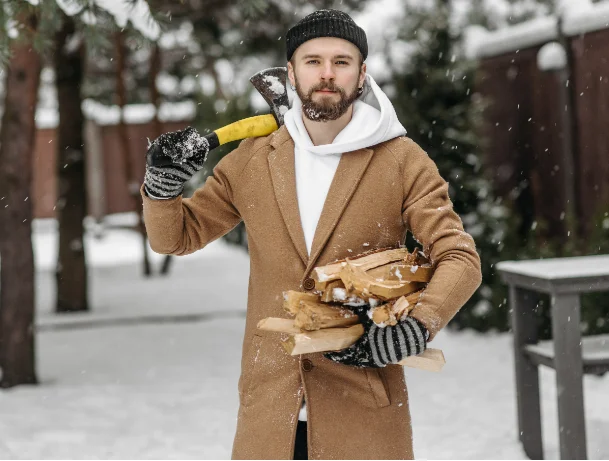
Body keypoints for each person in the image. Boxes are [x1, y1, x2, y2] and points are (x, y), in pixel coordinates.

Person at [141, 9, 482, 460]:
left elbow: (459, 257)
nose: (326, 73)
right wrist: (161, 188)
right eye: (312, 60)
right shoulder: (253, 159)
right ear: (291, 72)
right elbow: (177, 237)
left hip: (362, 409)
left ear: (362, 76)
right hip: (270, 409)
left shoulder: (401, 159)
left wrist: (418, 326)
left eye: (342, 62)